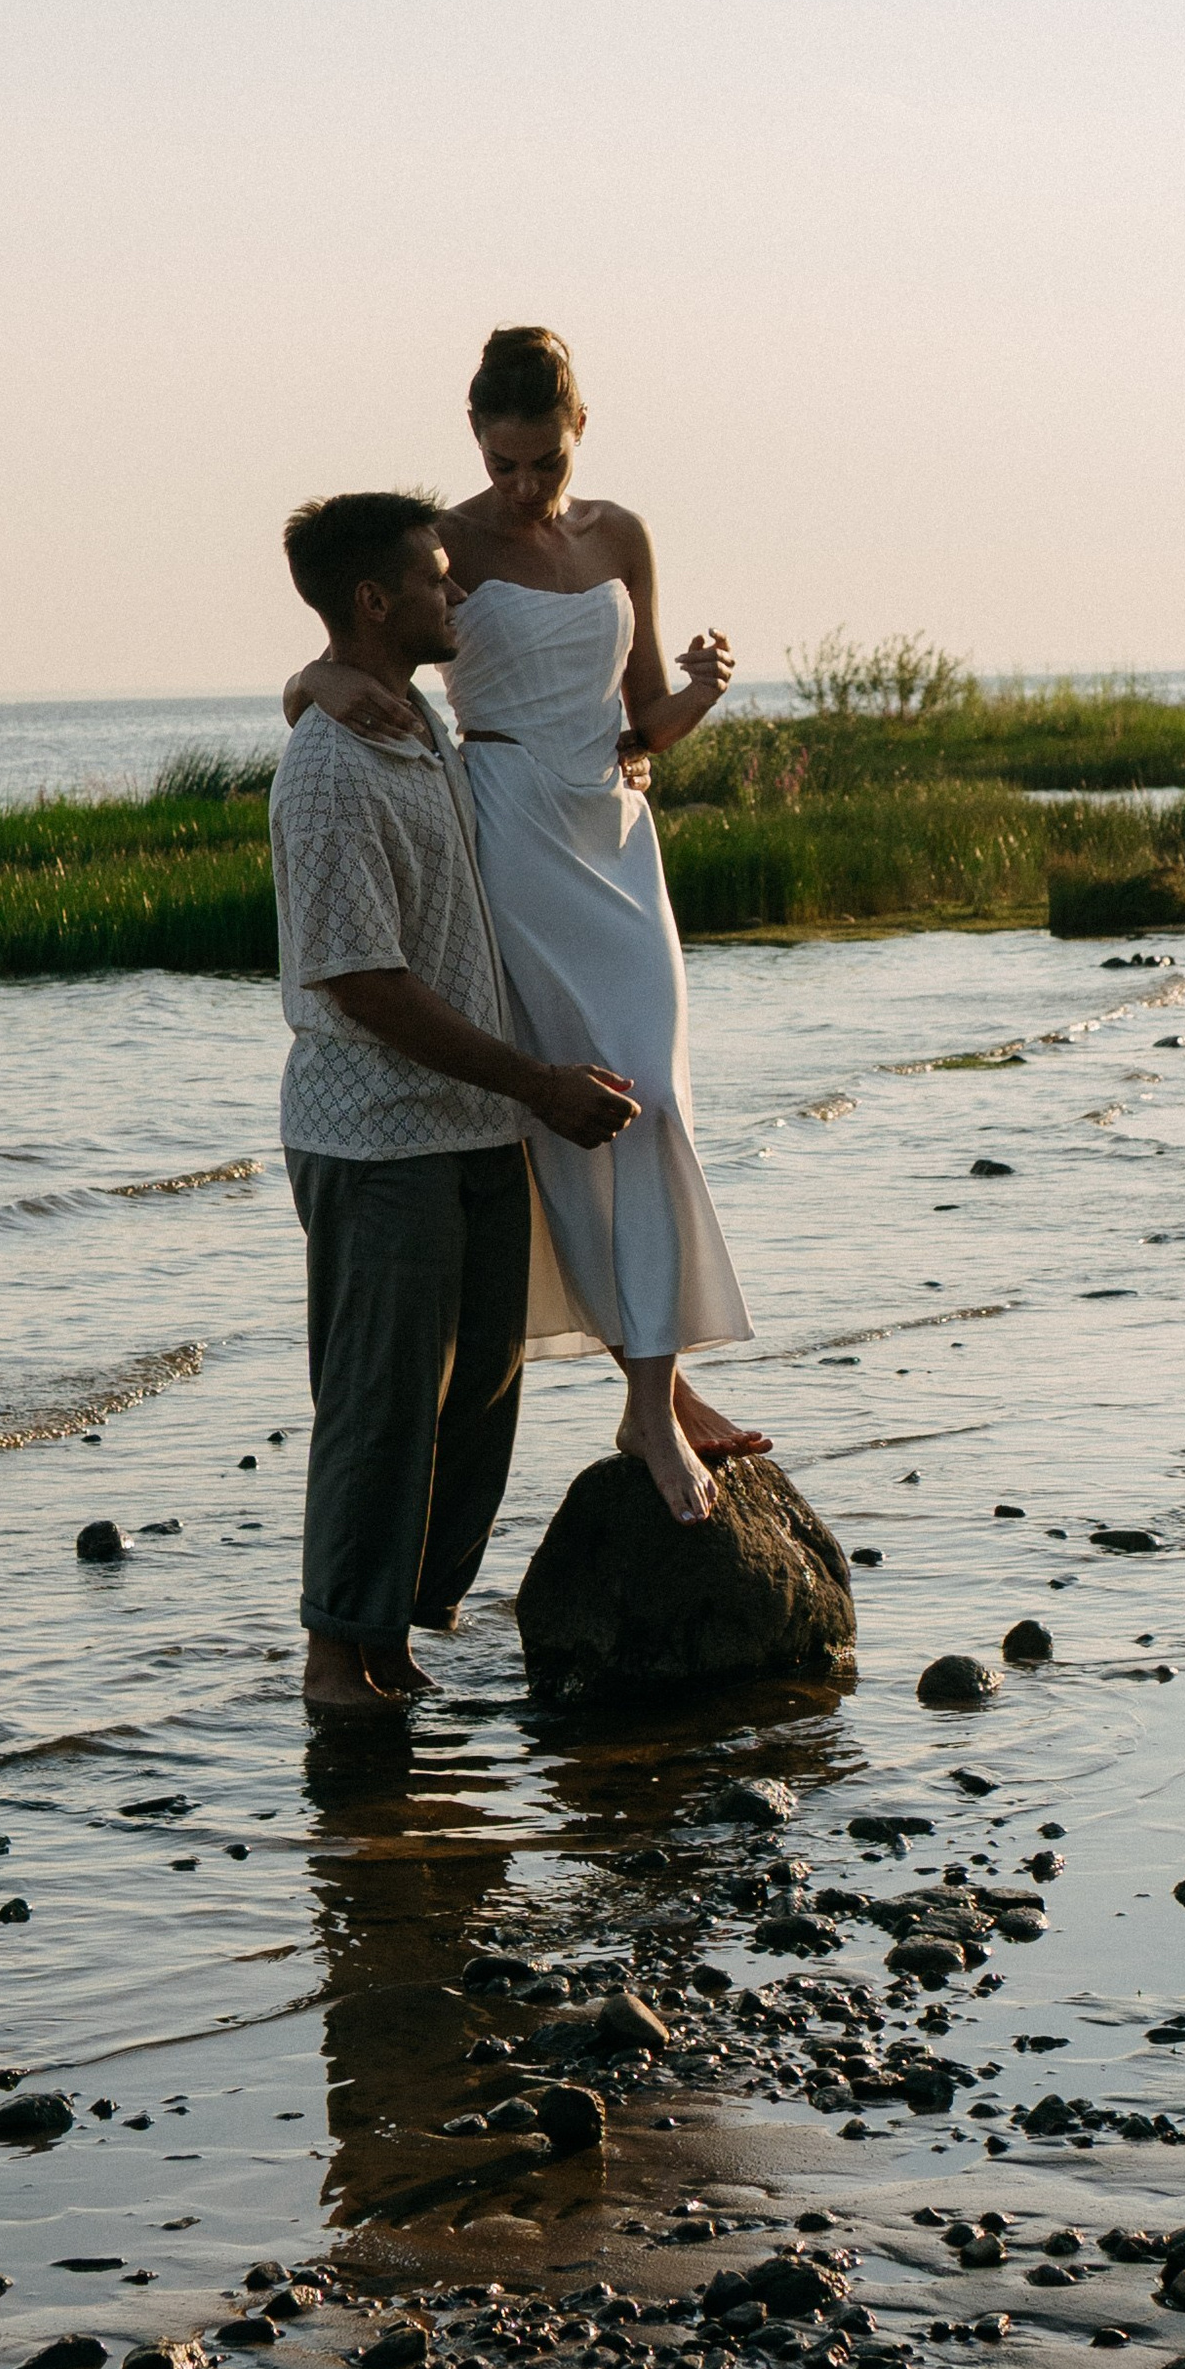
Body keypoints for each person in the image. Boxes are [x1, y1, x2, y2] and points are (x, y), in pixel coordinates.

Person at [284, 326, 760, 1526]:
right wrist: (307, 686)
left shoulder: (623, 537)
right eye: (502, 463)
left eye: (540, 463)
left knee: (659, 1094)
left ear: (575, 432)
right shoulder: (440, 542)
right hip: (505, 832)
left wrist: (696, 693)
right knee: (582, 1107)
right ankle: (650, 1398)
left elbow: (639, 713)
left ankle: (659, 1385)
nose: (521, 487)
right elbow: (347, 646)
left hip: (613, 835)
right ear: (475, 438)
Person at [269, 487, 637, 1718]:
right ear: (375, 600)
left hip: (475, 1126)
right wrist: (536, 1081)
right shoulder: (328, 764)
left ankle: (395, 1640)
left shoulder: (409, 717)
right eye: (436, 578)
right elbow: (362, 983)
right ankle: (338, 1659)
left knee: (477, 1394)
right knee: (379, 1404)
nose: (458, 593)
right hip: (376, 1138)